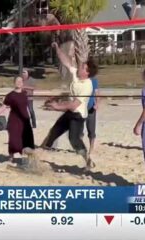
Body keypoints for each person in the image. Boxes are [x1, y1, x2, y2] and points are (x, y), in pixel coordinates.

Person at [44, 42, 94, 170]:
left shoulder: (87, 86)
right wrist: (57, 49)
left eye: (82, 67)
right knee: (54, 131)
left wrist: (57, 106)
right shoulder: (76, 74)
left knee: (74, 139)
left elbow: (73, 105)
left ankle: (88, 160)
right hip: (70, 112)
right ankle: (39, 154)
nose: (80, 68)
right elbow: (67, 62)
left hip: (77, 115)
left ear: (87, 73)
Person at [0, 77, 35, 161]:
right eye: (17, 81)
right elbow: (3, 107)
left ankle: (30, 160)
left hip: (25, 120)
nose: (19, 83)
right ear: (14, 83)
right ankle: (11, 158)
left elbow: (26, 107)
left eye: (20, 81)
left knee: (27, 140)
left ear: (23, 83)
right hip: (14, 121)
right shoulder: (10, 95)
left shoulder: (25, 93)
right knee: (14, 140)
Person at [83, 59, 100, 156]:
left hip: (90, 109)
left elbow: (97, 93)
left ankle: (91, 148)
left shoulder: (94, 81)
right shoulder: (80, 80)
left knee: (91, 130)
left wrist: (97, 104)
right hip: (81, 108)